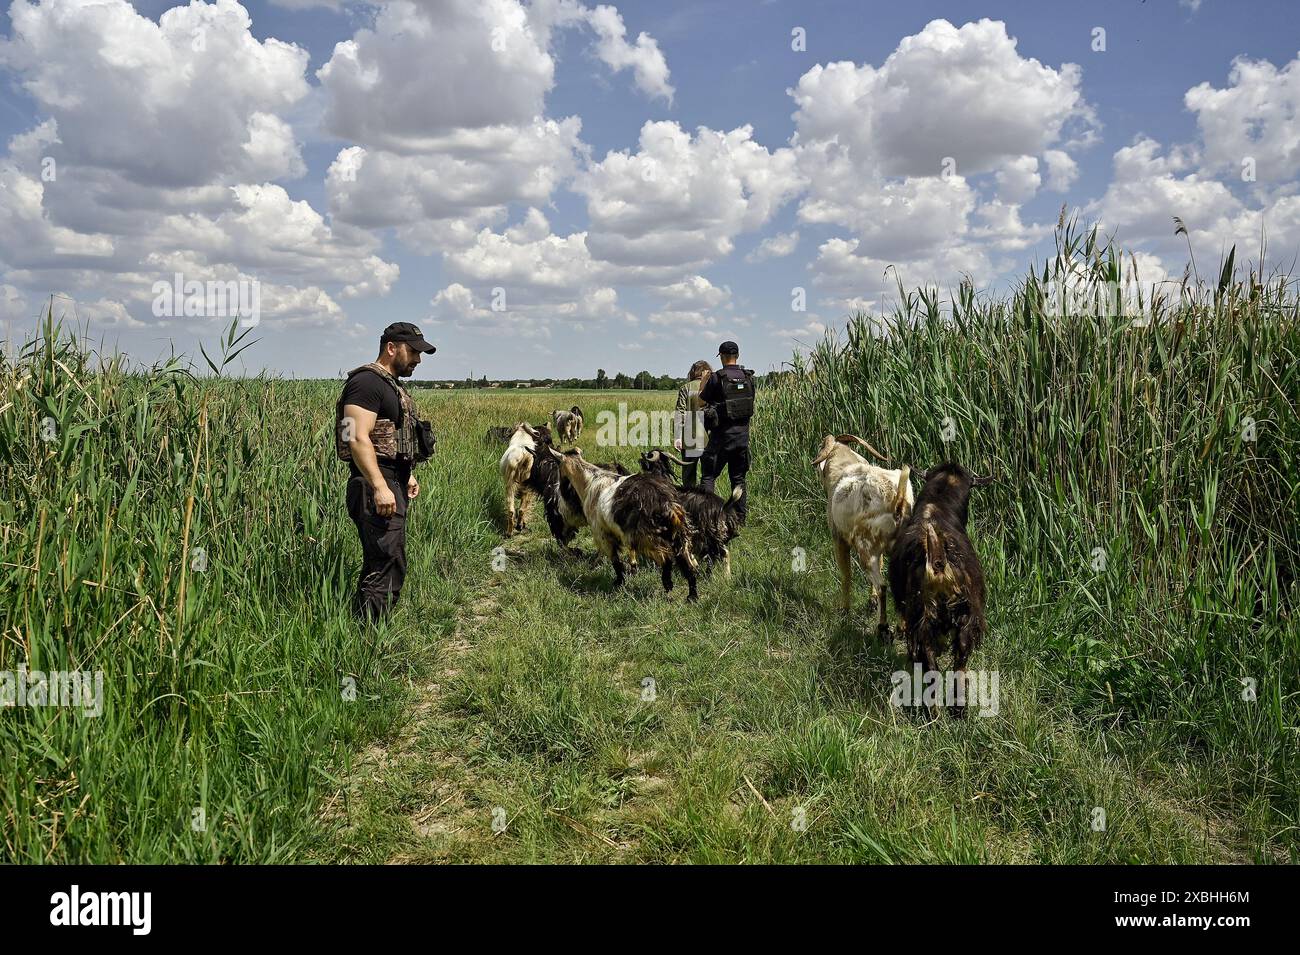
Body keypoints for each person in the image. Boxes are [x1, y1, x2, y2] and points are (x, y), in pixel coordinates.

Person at [334, 322, 436, 622]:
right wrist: (380, 486)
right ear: (391, 348)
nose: (418, 359)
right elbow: (355, 435)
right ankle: (369, 641)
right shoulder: (366, 383)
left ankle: (370, 633)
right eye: (414, 351)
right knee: (385, 563)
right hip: (373, 486)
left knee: (385, 561)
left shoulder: (389, 384)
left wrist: (407, 475)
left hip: (390, 481)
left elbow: (389, 438)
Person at [698, 340, 755, 522]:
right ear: (737, 356)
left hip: (721, 438)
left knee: (708, 476)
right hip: (742, 438)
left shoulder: (717, 377)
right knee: (738, 479)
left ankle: (707, 517)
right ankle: (740, 519)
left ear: (721, 356)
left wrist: (705, 380)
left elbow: (701, 402)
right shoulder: (747, 377)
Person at [673, 360, 712, 486]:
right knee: (708, 475)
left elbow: (680, 413)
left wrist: (677, 437)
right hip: (709, 435)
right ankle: (706, 502)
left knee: (689, 474)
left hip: (690, 435)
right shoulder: (711, 386)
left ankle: (689, 502)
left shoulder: (686, 388)